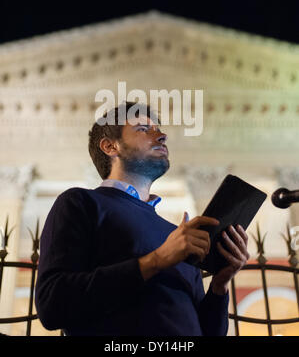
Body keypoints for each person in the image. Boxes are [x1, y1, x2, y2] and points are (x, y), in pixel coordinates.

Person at [35, 101, 250, 336]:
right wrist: (157, 260)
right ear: (110, 146)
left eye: (158, 129)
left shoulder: (177, 236)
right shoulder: (80, 203)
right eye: (143, 129)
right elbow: (52, 305)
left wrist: (220, 285)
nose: (162, 135)